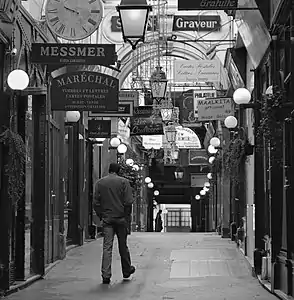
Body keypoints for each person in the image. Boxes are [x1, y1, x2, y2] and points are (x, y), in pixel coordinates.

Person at [93, 162, 135, 284]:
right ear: (119, 171)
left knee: (107, 247)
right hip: (121, 218)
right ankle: (126, 270)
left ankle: (106, 275)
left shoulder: (100, 183)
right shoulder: (124, 182)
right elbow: (128, 202)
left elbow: (96, 202)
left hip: (107, 219)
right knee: (123, 245)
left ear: (109, 170)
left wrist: (101, 215)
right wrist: (126, 218)